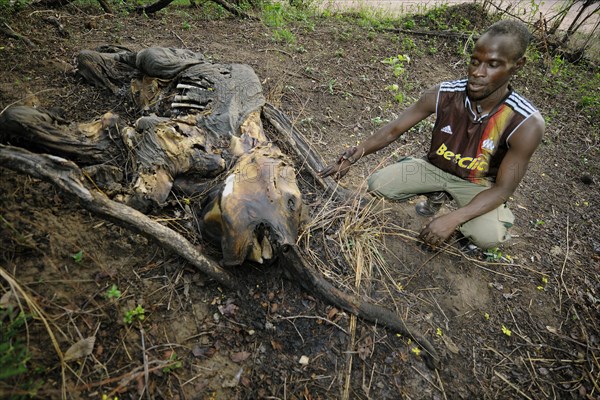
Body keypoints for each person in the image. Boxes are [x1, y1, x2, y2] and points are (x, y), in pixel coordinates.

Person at [319, 19, 545, 250]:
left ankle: (467, 226)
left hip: (478, 183)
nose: (478, 72)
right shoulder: (444, 94)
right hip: (435, 168)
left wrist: (453, 219)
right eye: (475, 61)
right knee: (379, 184)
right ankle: (436, 195)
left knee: (487, 236)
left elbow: (504, 189)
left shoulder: (526, 123)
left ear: (517, 66)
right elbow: (393, 130)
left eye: (493, 65)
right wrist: (352, 157)